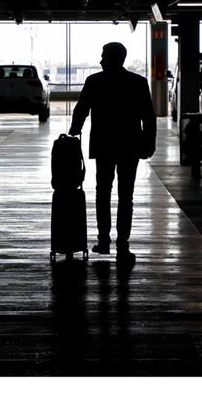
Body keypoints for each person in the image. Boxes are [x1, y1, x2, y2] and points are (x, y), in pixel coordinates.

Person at [68, 42, 157, 264]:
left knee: (103, 193)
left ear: (112, 58)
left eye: (103, 56)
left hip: (104, 145)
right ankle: (123, 244)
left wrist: (73, 132)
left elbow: (82, 109)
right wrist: (149, 143)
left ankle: (104, 241)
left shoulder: (95, 81)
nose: (100, 60)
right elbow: (149, 116)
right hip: (130, 145)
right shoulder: (138, 83)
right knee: (126, 195)